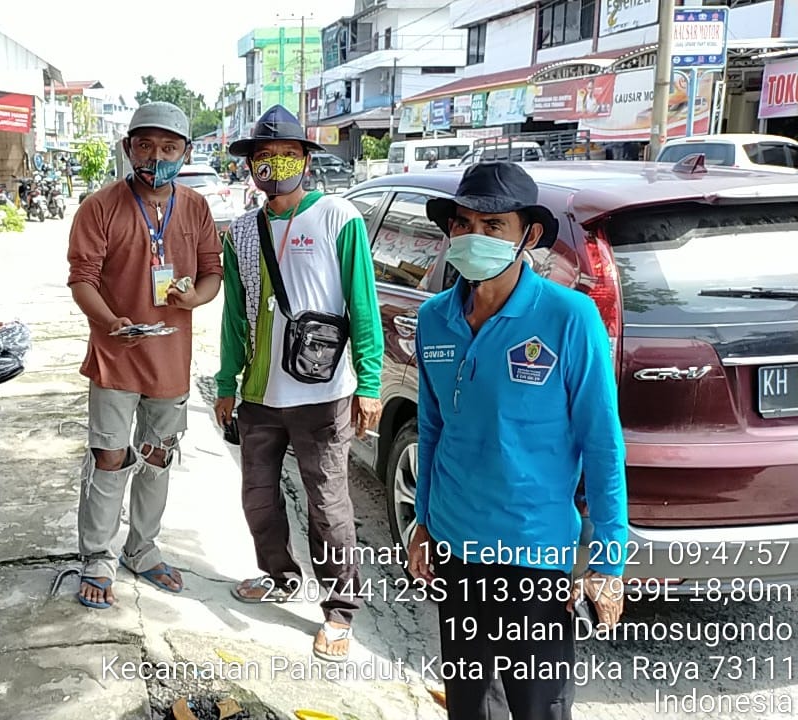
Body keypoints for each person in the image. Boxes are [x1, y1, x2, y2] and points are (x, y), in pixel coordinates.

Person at [407, 161, 627, 719]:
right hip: (456, 545)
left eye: (492, 226)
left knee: (539, 707)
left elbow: (602, 442)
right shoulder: (434, 318)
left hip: (536, 552)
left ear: (528, 235)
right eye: (462, 224)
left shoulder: (569, 317)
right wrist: (424, 524)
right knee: (470, 702)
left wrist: (608, 561)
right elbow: (433, 427)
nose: (473, 237)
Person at [213, 105, 384, 663]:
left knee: (327, 502)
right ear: (250, 167)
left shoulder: (339, 218)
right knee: (257, 496)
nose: (273, 165)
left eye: (284, 154)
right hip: (261, 392)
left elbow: (363, 303)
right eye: (262, 157)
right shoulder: (241, 231)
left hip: (323, 391)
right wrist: (225, 381)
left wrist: (370, 381)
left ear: (305, 161)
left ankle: (340, 611)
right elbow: (234, 314)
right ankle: (280, 576)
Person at [67, 101, 223, 610]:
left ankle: (143, 548)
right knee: (110, 459)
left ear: (187, 151)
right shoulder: (100, 207)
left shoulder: (196, 208)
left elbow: (211, 272)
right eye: (146, 145)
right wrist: (110, 322)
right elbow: (82, 281)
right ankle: (97, 556)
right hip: (115, 358)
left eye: (170, 147)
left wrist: (195, 298)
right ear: (128, 147)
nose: (158, 156)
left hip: (171, 359)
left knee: (158, 457)